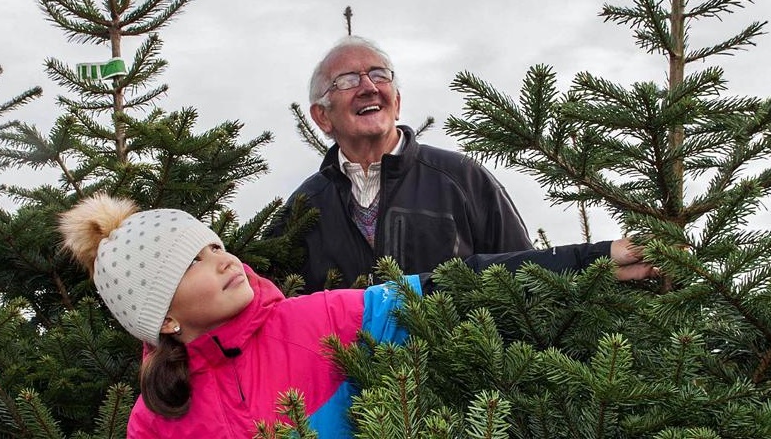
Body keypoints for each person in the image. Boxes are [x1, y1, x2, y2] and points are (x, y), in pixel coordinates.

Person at [59, 193, 654, 438]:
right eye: (193, 261)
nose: (222, 259)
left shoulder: (320, 319)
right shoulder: (155, 417)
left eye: (214, 243)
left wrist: (595, 258)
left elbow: (460, 286)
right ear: (163, 318)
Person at [268, 35, 544, 293]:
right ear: (322, 117)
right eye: (348, 80)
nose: (369, 87)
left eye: (379, 75)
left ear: (397, 103)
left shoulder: (463, 178)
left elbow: (526, 279)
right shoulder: (302, 209)